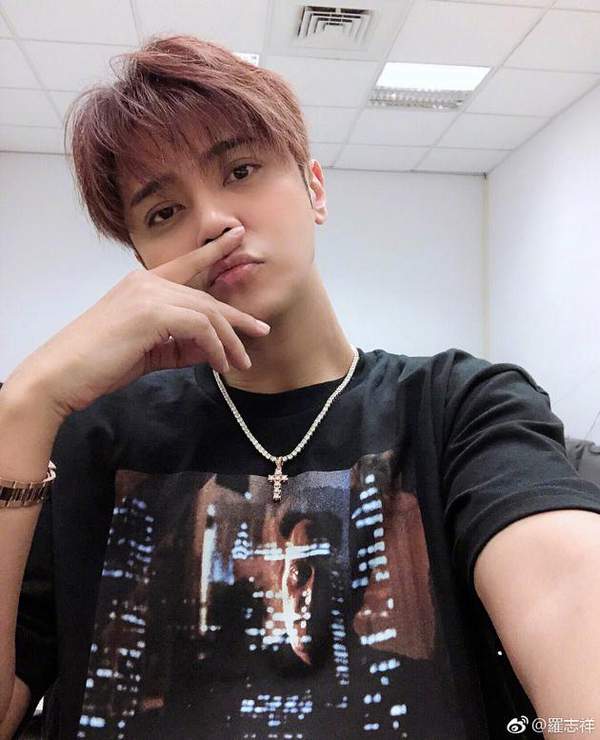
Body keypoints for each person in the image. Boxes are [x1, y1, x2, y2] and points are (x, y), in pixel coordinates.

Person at [1, 33, 600, 740]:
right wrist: (24, 404)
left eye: (241, 170)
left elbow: (570, 623)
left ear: (315, 189)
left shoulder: (460, 407)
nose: (213, 221)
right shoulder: (87, 436)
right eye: (164, 213)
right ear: (143, 264)